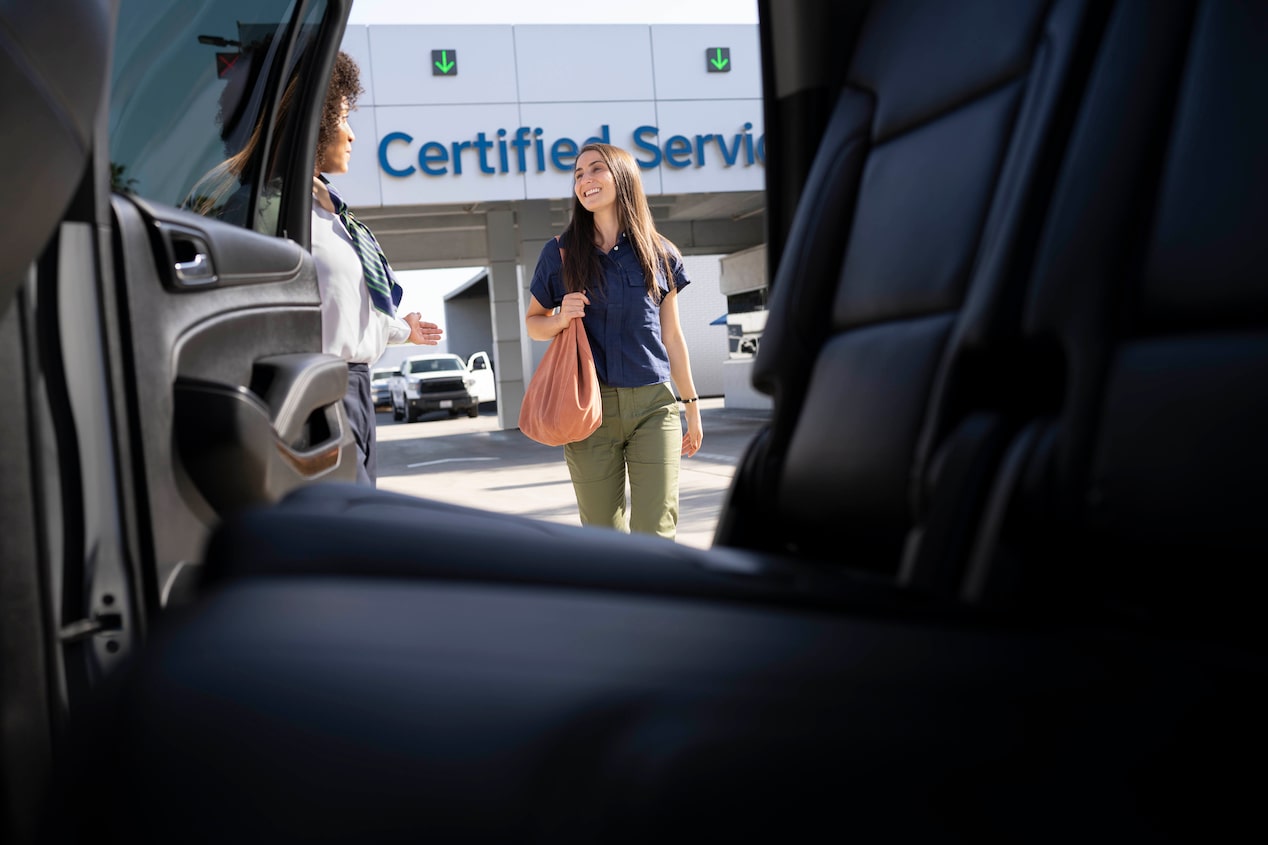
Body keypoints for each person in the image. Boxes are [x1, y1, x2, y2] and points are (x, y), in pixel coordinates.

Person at [526, 142, 703, 540]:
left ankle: (654, 602)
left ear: (623, 176)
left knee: (656, 528)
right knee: (602, 534)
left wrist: (691, 406)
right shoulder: (559, 254)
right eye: (578, 174)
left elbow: (672, 336)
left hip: (654, 408)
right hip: (589, 411)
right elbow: (534, 324)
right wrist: (560, 317)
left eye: (595, 169)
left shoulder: (660, 253)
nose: (585, 180)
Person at [311, 51, 442, 486]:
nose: (350, 136)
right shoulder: (282, 214)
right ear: (313, 121)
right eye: (342, 118)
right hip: (321, 392)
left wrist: (404, 330)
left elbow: (348, 309)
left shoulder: (332, 214)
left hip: (356, 389)